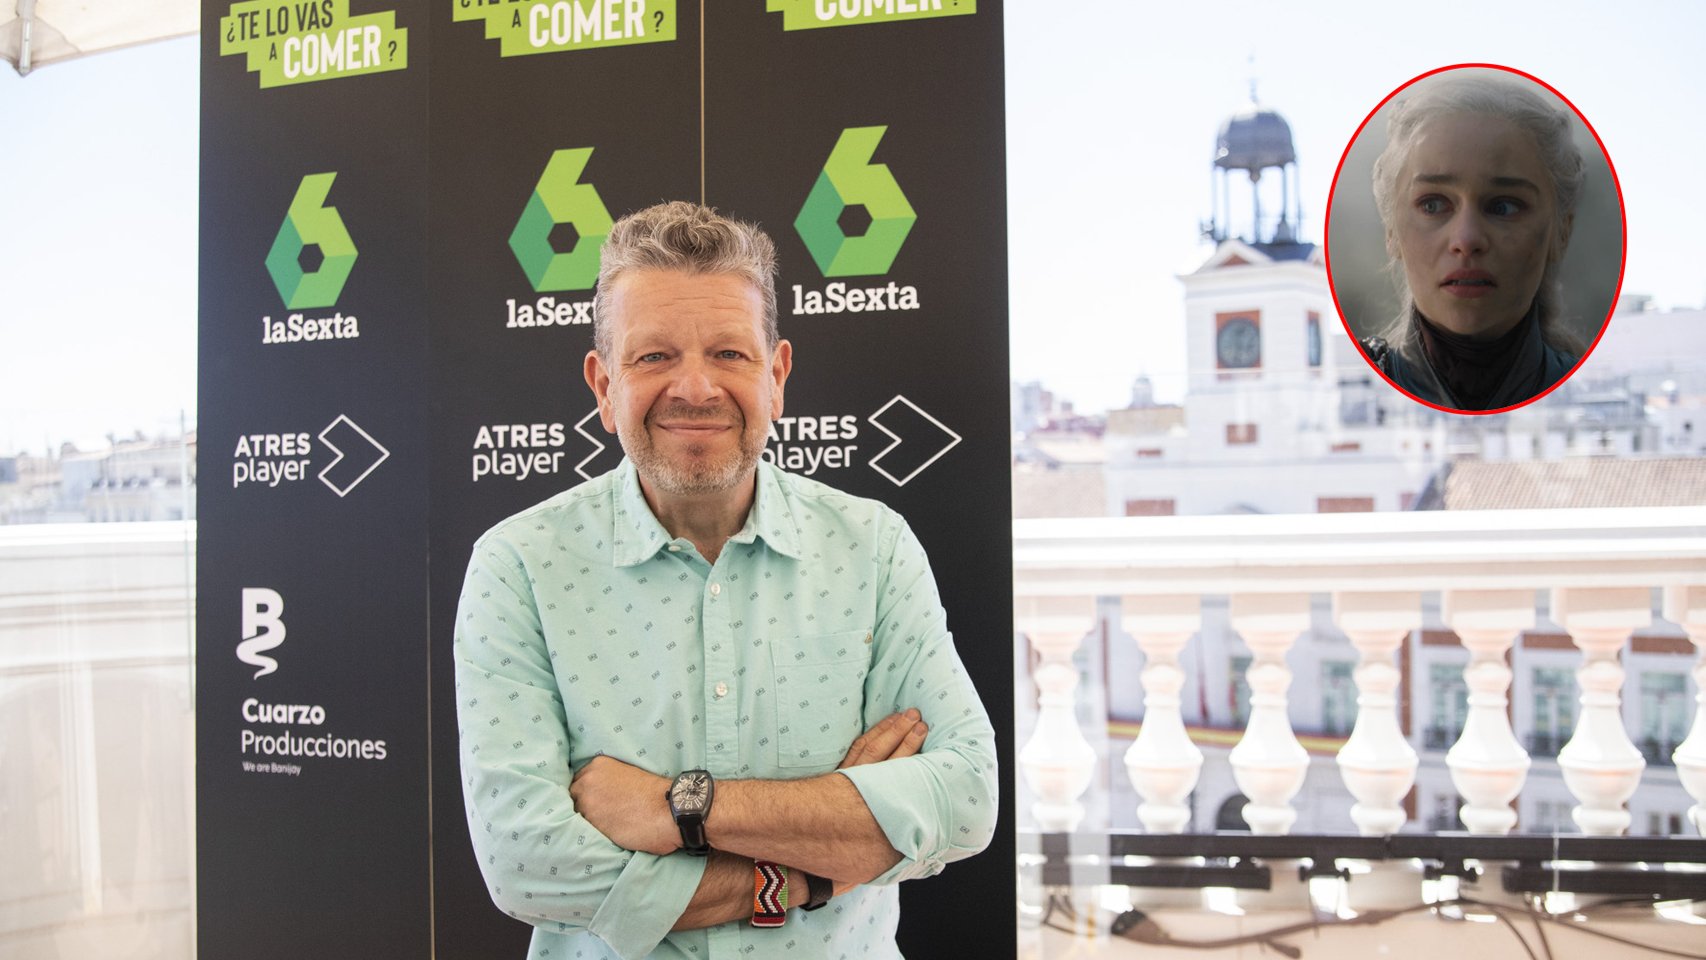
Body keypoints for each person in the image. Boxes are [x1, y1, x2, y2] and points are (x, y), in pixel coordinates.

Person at [453, 201, 998, 960]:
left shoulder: (872, 547)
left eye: (729, 354)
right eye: (653, 358)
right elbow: (527, 865)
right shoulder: (519, 566)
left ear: (776, 375)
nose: (697, 388)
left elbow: (965, 799)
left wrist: (681, 808)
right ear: (603, 385)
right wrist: (811, 872)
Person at [1357, 72, 1588, 412]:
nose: (1466, 240)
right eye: (1433, 205)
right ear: (1391, 230)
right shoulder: (1349, 393)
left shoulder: (1593, 402)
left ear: (1560, 233)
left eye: (1503, 206)